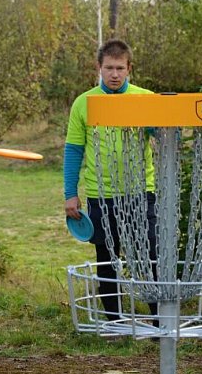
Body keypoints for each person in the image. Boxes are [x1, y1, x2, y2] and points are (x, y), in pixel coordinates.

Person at [63, 39, 157, 322]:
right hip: (100, 194)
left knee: (149, 255)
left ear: (129, 69)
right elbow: (73, 151)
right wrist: (70, 193)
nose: (114, 74)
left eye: (119, 68)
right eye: (108, 68)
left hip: (141, 191)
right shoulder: (84, 103)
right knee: (107, 259)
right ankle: (115, 323)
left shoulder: (146, 99)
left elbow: (166, 137)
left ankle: (158, 320)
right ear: (99, 68)